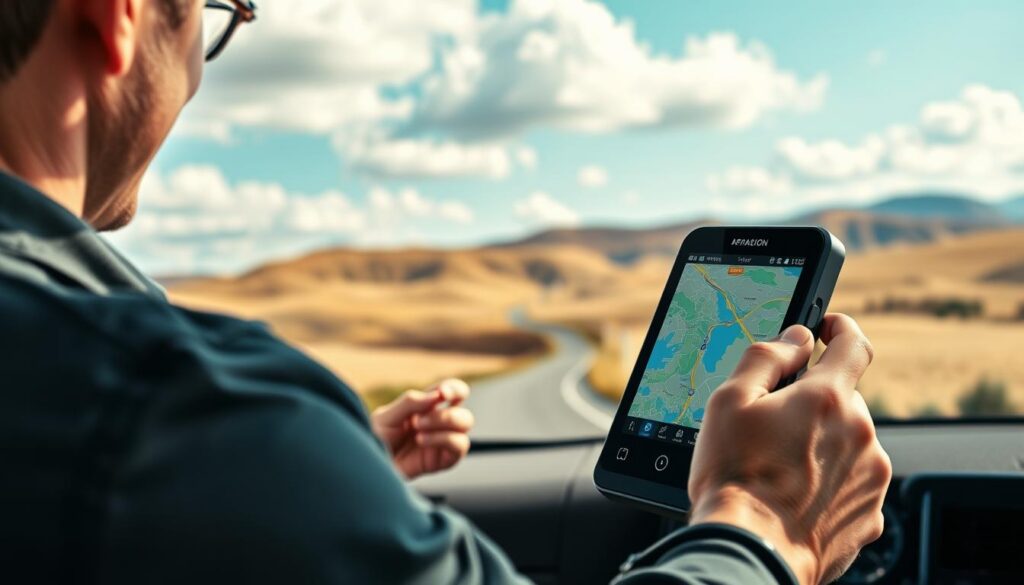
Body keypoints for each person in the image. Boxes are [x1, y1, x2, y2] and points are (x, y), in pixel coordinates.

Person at [0, 1, 892, 584]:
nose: (197, 71)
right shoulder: (165, 410)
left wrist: (326, 488)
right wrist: (764, 528)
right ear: (120, 17)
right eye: (213, 18)